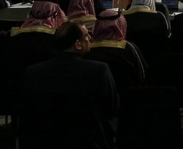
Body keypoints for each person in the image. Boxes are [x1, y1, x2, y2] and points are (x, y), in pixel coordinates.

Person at [20, 21, 119, 149]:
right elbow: (111, 108)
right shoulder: (99, 71)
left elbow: (28, 116)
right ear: (77, 44)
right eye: (86, 36)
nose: (90, 38)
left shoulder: (33, 72)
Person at [86, 9, 148, 94]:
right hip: (128, 96)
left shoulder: (87, 49)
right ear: (121, 25)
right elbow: (142, 75)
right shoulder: (129, 48)